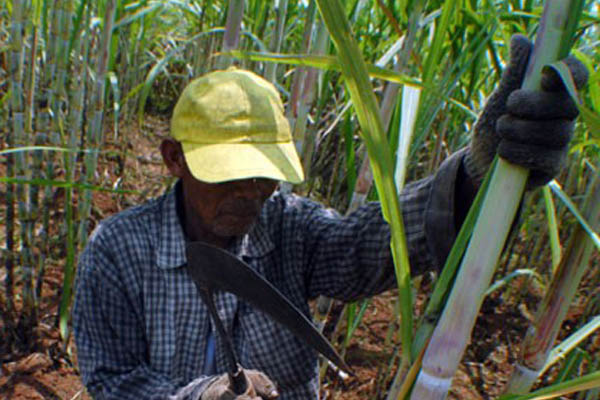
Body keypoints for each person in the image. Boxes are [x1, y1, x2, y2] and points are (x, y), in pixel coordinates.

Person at [73, 35, 587, 400]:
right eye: (228, 174)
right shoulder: (118, 249)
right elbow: (112, 378)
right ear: (173, 159)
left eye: (263, 175)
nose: (250, 193)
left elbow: (374, 244)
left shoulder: (291, 227)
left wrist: (479, 176)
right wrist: (199, 395)